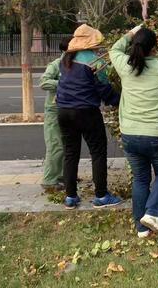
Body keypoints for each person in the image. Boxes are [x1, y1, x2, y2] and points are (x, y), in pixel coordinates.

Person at [109, 26, 158, 238]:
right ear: (155, 48)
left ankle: (141, 228)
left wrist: (130, 33)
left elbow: (114, 49)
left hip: (131, 135)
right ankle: (152, 213)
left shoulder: (126, 66)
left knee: (140, 179)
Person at [56, 24, 121, 210]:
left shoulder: (65, 58)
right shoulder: (95, 62)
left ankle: (70, 196)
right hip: (86, 112)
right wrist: (120, 101)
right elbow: (104, 89)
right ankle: (101, 195)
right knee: (98, 152)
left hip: (63, 111)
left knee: (70, 153)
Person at [39, 37, 72, 191]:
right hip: (54, 110)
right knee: (55, 146)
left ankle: (63, 175)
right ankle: (49, 180)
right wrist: (63, 84)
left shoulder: (74, 64)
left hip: (68, 109)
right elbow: (44, 82)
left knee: (67, 145)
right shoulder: (56, 65)